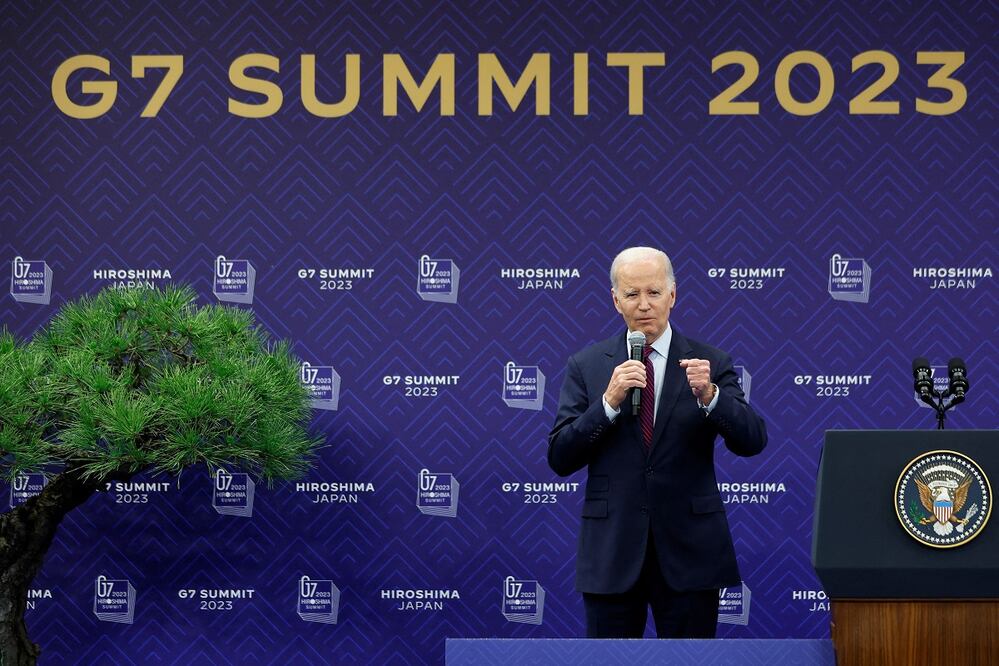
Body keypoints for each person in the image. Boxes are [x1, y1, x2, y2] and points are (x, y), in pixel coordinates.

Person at [547, 246, 766, 638]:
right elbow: (560, 457)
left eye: (654, 292)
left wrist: (712, 396)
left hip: (691, 553)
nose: (644, 305)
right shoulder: (588, 365)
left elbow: (752, 441)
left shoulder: (709, 362)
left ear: (673, 296)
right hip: (612, 554)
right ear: (616, 300)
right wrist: (607, 404)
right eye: (632, 294)